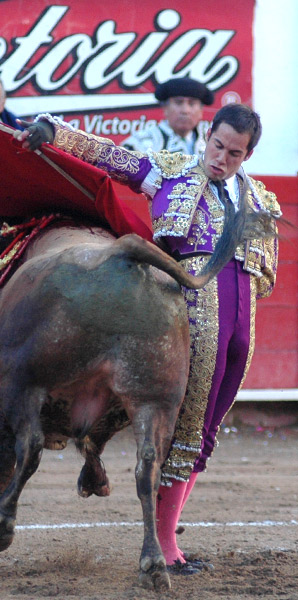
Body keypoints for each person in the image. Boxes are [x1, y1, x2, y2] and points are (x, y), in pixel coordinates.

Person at [15, 103, 281, 573]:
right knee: (187, 424)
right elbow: (108, 156)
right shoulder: (168, 172)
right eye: (217, 145)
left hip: (244, 321)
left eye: (234, 152)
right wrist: (52, 132)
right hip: (188, 312)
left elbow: (261, 273)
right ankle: (164, 542)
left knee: (207, 430)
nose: (221, 157)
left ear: (248, 154)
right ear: (207, 136)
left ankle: (168, 524)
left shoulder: (259, 198)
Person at [122, 77, 214, 155]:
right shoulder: (140, 142)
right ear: (165, 107)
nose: (185, 110)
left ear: (201, 110)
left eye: (192, 104)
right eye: (178, 103)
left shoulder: (211, 142)